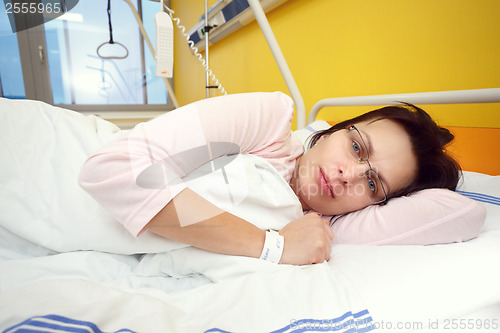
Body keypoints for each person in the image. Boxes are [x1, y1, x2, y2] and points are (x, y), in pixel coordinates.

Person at [79, 92, 460, 265]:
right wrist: (270, 246)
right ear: (330, 131)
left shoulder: (323, 228)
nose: (350, 175)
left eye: (373, 183)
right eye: (357, 148)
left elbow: (460, 215)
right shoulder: (268, 122)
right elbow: (115, 168)